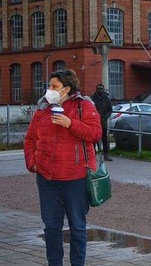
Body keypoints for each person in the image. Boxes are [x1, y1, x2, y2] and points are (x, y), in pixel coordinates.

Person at [24, 69, 102, 266]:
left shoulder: (84, 106)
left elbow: (95, 134)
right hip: (47, 179)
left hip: (76, 178)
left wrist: (70, 124)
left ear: (66, 89)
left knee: (77, 226)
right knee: (51, 227)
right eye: (49, 86)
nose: (49, 90)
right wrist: (32, 162)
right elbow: (30, 139)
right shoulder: (42, 110)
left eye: (54, 86)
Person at [90, 84, 113, 160]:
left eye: (101, 89)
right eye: (98, 89)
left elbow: (110, 110)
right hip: (94, 121)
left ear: (103, 89)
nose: (100, 90)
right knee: (93, 138)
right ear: (96, 89)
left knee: (104, 138)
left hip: (103, 121)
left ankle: (106, 154)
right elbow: (89, 109)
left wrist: (106, 117)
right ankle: (92, 154)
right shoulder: (92, 98)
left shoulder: (107, 99)